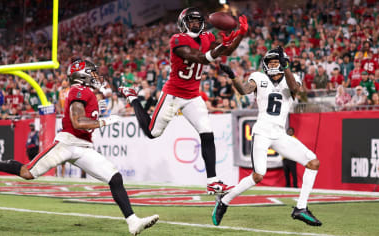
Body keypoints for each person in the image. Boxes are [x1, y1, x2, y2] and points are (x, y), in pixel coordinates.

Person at [0, 59, 159, 235]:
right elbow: (77, 122)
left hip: (83, 146)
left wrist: (98, 117)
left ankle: (133, 222)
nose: (95, 77)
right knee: (28, 172)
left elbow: (82, 120)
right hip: (67, 143)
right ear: (82, 75)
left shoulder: (87, 92)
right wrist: (103, 122)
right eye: (91, 73)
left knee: (114, 178)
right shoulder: (80, 91)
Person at [118, 7, 248, 195]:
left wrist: (240, 35)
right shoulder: (177, 40)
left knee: (207, 133)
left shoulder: (207, 37)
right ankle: (133, 97)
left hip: (193, 95)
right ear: (183, 23)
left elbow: (227, 49)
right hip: (174, 94)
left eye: (197, 20)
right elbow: (200, 58)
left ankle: (212, 181)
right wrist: (220, 48)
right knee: (152, 133)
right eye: (191, 20)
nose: (195, 23)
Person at [213, 47, 322, 226]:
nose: (272, 64)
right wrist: (233, 75)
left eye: (276, 61)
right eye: (270, 61)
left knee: (313, 162)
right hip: (262, 131)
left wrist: (285, 66)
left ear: (283, 62)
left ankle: (300, 208)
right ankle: (224, 200)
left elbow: (295, 89)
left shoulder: (291, 78)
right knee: (258, 176)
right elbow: (244, 90)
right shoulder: (259, 77)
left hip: (279, 132)